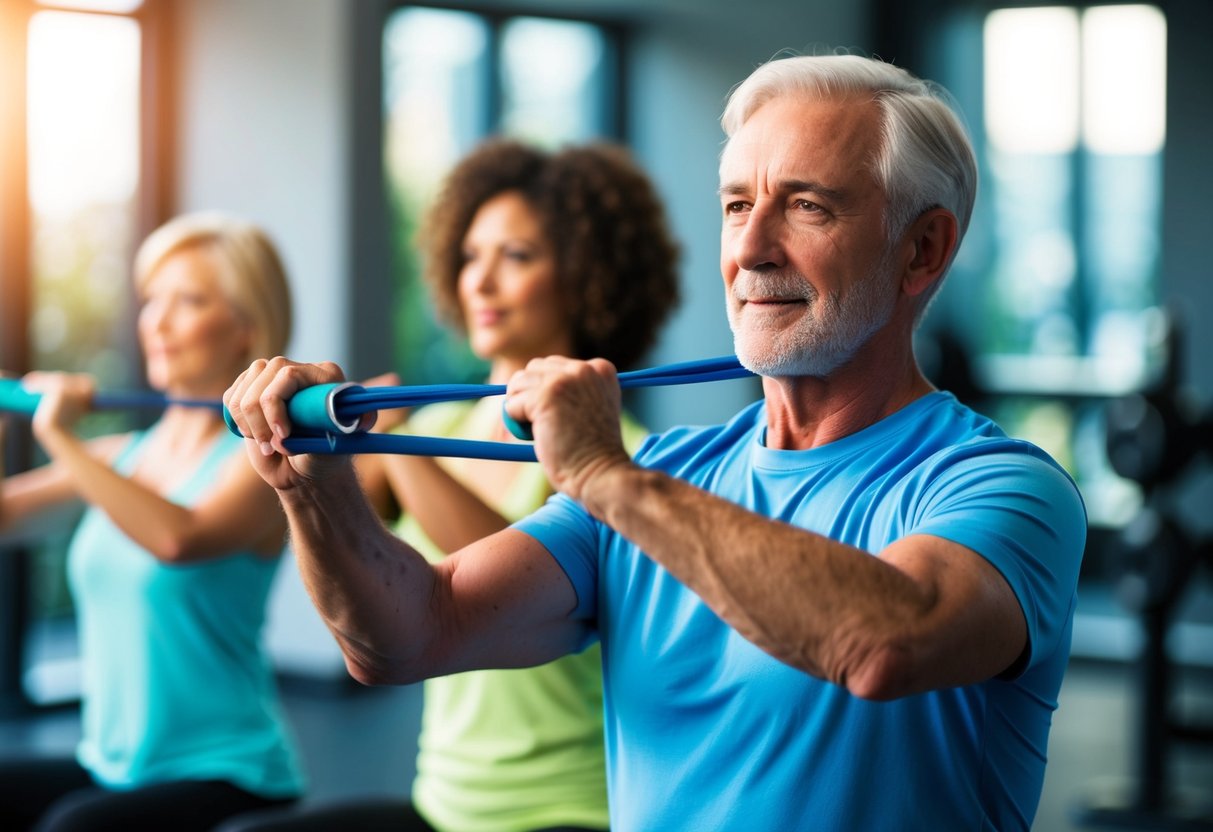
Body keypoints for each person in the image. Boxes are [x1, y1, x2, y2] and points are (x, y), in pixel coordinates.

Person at [224, 53, 1088, 831]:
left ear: (922, 249)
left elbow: (883, 642)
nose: (750, 249)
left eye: (806, 206)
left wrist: (606, 474)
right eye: (737, 206)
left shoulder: (1001, 489)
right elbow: (408, 633)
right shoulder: (669, 475)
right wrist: (312, 487)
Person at [217, 139, 680, 832]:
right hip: (442, 802)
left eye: (515, 256)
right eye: (470, 256)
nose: (481, 282)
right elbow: (342, 549)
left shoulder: (623, 455)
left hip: (566, 811)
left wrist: (388, 437)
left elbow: (500, 576)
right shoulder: (439, 423)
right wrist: (301, 454)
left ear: (587, 275)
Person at [0, 213, 306, 831]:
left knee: (74, 828)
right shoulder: (121, 456)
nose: (158, 323)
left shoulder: (264, 459)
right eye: (152, 300)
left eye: (188, 300)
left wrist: (56, 433)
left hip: (228, 770)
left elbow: (179, 537)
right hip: (114, 766)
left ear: (245, 329)